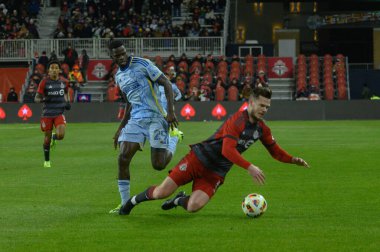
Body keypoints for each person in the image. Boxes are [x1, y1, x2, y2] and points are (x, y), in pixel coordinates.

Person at [119, 87, 310, 215]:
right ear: (251, 103)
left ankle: (178, 201)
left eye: (267, 107)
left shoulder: (262, 129)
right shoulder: (237, 121)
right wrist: (249, 167)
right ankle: (132, 202)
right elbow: (228, 151)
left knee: (193, 206)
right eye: (261, 105)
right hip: (198, 159)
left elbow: (275, 152)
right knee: (161, 192)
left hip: (216, 173)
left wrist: (293, 160)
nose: (264, 110)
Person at [108, 40, 183, 214]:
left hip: (157, 117)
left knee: (158, 165)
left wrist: (170, 112)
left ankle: (173, 138)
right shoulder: (119, 76)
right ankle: (125, 203)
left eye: (123, 53)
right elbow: (129, 101)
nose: (122, 57)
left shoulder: (142, 64)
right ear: (111, 56)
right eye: (117, 55)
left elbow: (165, 83)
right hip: (136, 120)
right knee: (123, 157)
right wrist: (121, 127)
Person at [35, 60, 71, 168]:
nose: (54, 70)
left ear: (59, 70)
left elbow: (66, 92)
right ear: (48, 71)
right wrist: (41, 100)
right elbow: (37, 97)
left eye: (56, 68)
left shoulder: (64, 82)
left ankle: (54, 138)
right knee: (47, 137)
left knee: (61, 135)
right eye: (52, 68)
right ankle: (47, 161)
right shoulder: (44, 82)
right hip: (47, 114)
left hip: (59, 112)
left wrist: (68, 102)